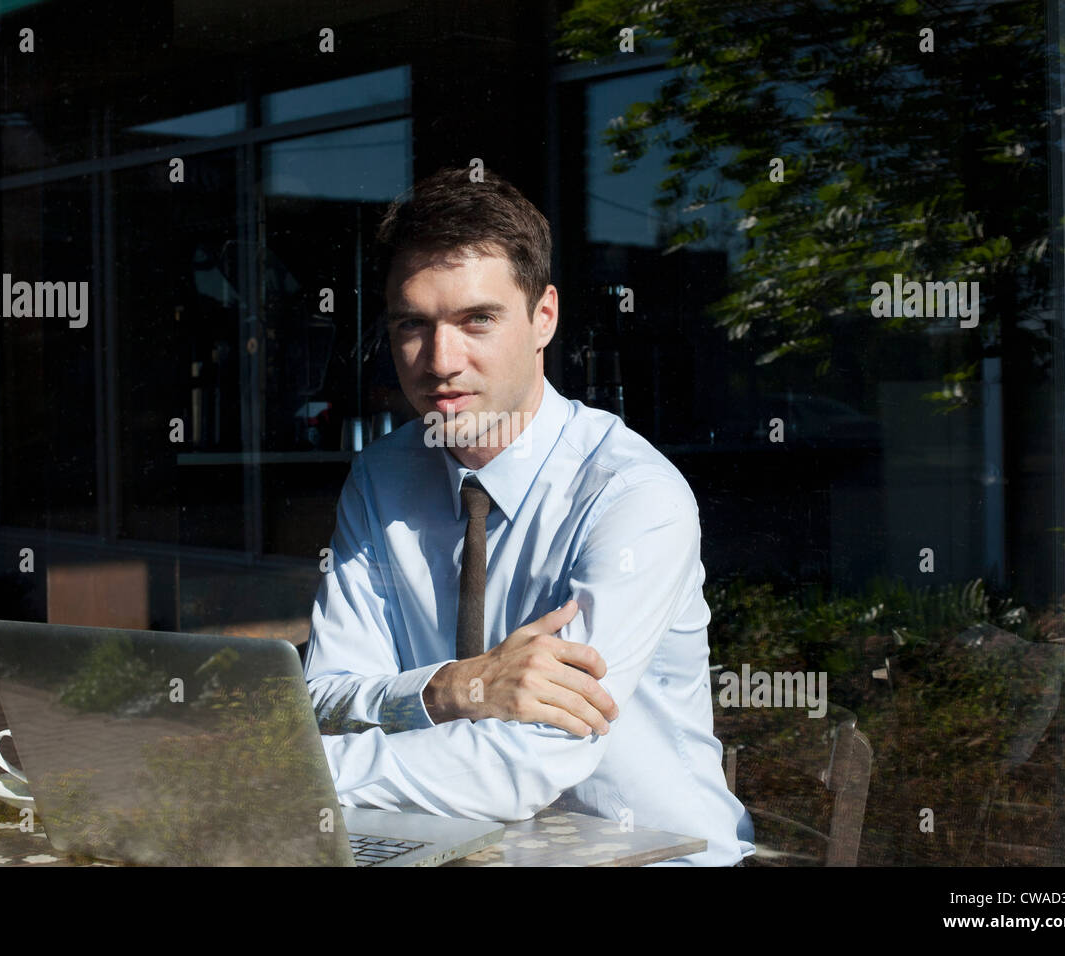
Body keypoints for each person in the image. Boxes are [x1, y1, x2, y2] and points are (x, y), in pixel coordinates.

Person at [304, 165, 754, 865]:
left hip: (655, 857)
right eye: (412, 325)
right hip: (443, 848)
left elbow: (523, 761)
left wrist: (291, 776)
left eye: (477, 320)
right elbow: (323, 700)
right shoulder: (383, 475)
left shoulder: (632, 496)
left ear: (544, 317)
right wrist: (450, 688)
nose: (440, 360)